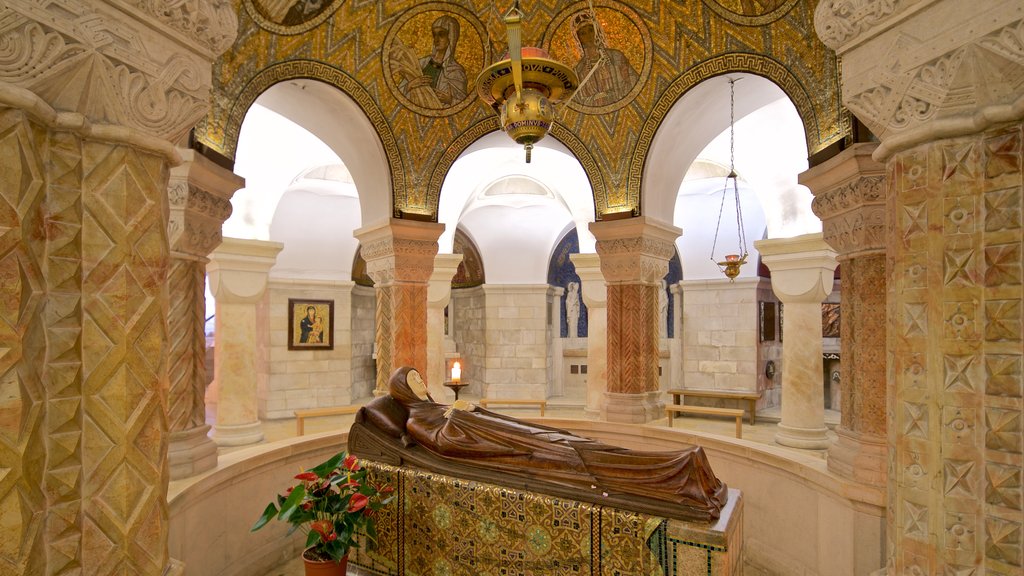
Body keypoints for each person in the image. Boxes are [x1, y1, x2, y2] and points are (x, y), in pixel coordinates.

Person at [352, 367, 729, 522]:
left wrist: (464, 411)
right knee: (578, 456)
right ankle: (675, 474)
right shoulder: (418, 421)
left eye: (421, 380)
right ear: (403, 392)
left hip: (517, 435)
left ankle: (677, 469)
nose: (423, 386)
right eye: (415, 383)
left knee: (581, 442)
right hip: (515, 449)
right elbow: (449, 447)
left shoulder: (438, 408)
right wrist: (460, 417)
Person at [389, 15, 468, 108]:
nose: (436, 39)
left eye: (441, 34)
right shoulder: (421, 63)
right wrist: (411, 84)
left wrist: (450, 100)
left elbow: (465, 107)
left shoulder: (456, 72)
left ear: (451, 37)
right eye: (435, 35)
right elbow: (397, 95)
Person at [571, 11, 639, 107]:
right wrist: (595, 99)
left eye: (591, 30)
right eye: (583, 33)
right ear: (578, 38)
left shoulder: (616, 57)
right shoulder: (578, 71)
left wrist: (625, 80)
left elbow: (634, 85)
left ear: (597, 31)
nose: (588, 36)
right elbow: (578, 101)